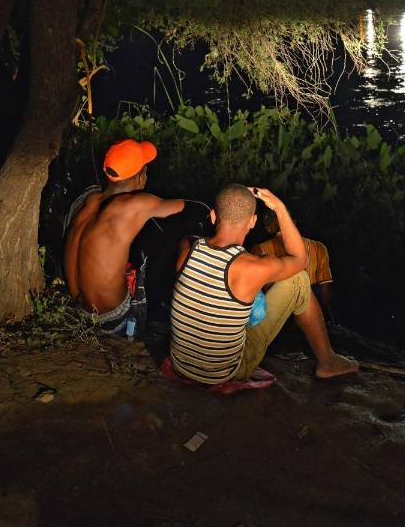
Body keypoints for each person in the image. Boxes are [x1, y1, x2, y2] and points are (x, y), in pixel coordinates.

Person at [168, 184, 358, 384]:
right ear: (252, 222)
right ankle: (328, 362)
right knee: (299, 280)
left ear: (214, 216)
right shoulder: (251, 267)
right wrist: (279, 207)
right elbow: (300, 259)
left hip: (181, 363)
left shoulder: (188, 246)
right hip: (222, 373)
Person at [63, 138, 185, 330]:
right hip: (114, 316)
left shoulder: (89, 199)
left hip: (79, 306)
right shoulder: (136, 204)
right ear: (140, 176)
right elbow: (186, 207)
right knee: (161, 250)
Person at [251, 207, 334, 318]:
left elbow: (256, 296)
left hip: (277, 320)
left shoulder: (259, 250)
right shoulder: (318, 248)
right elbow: (325, 295)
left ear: (268, 228)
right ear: (293, 223)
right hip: (311, 317)